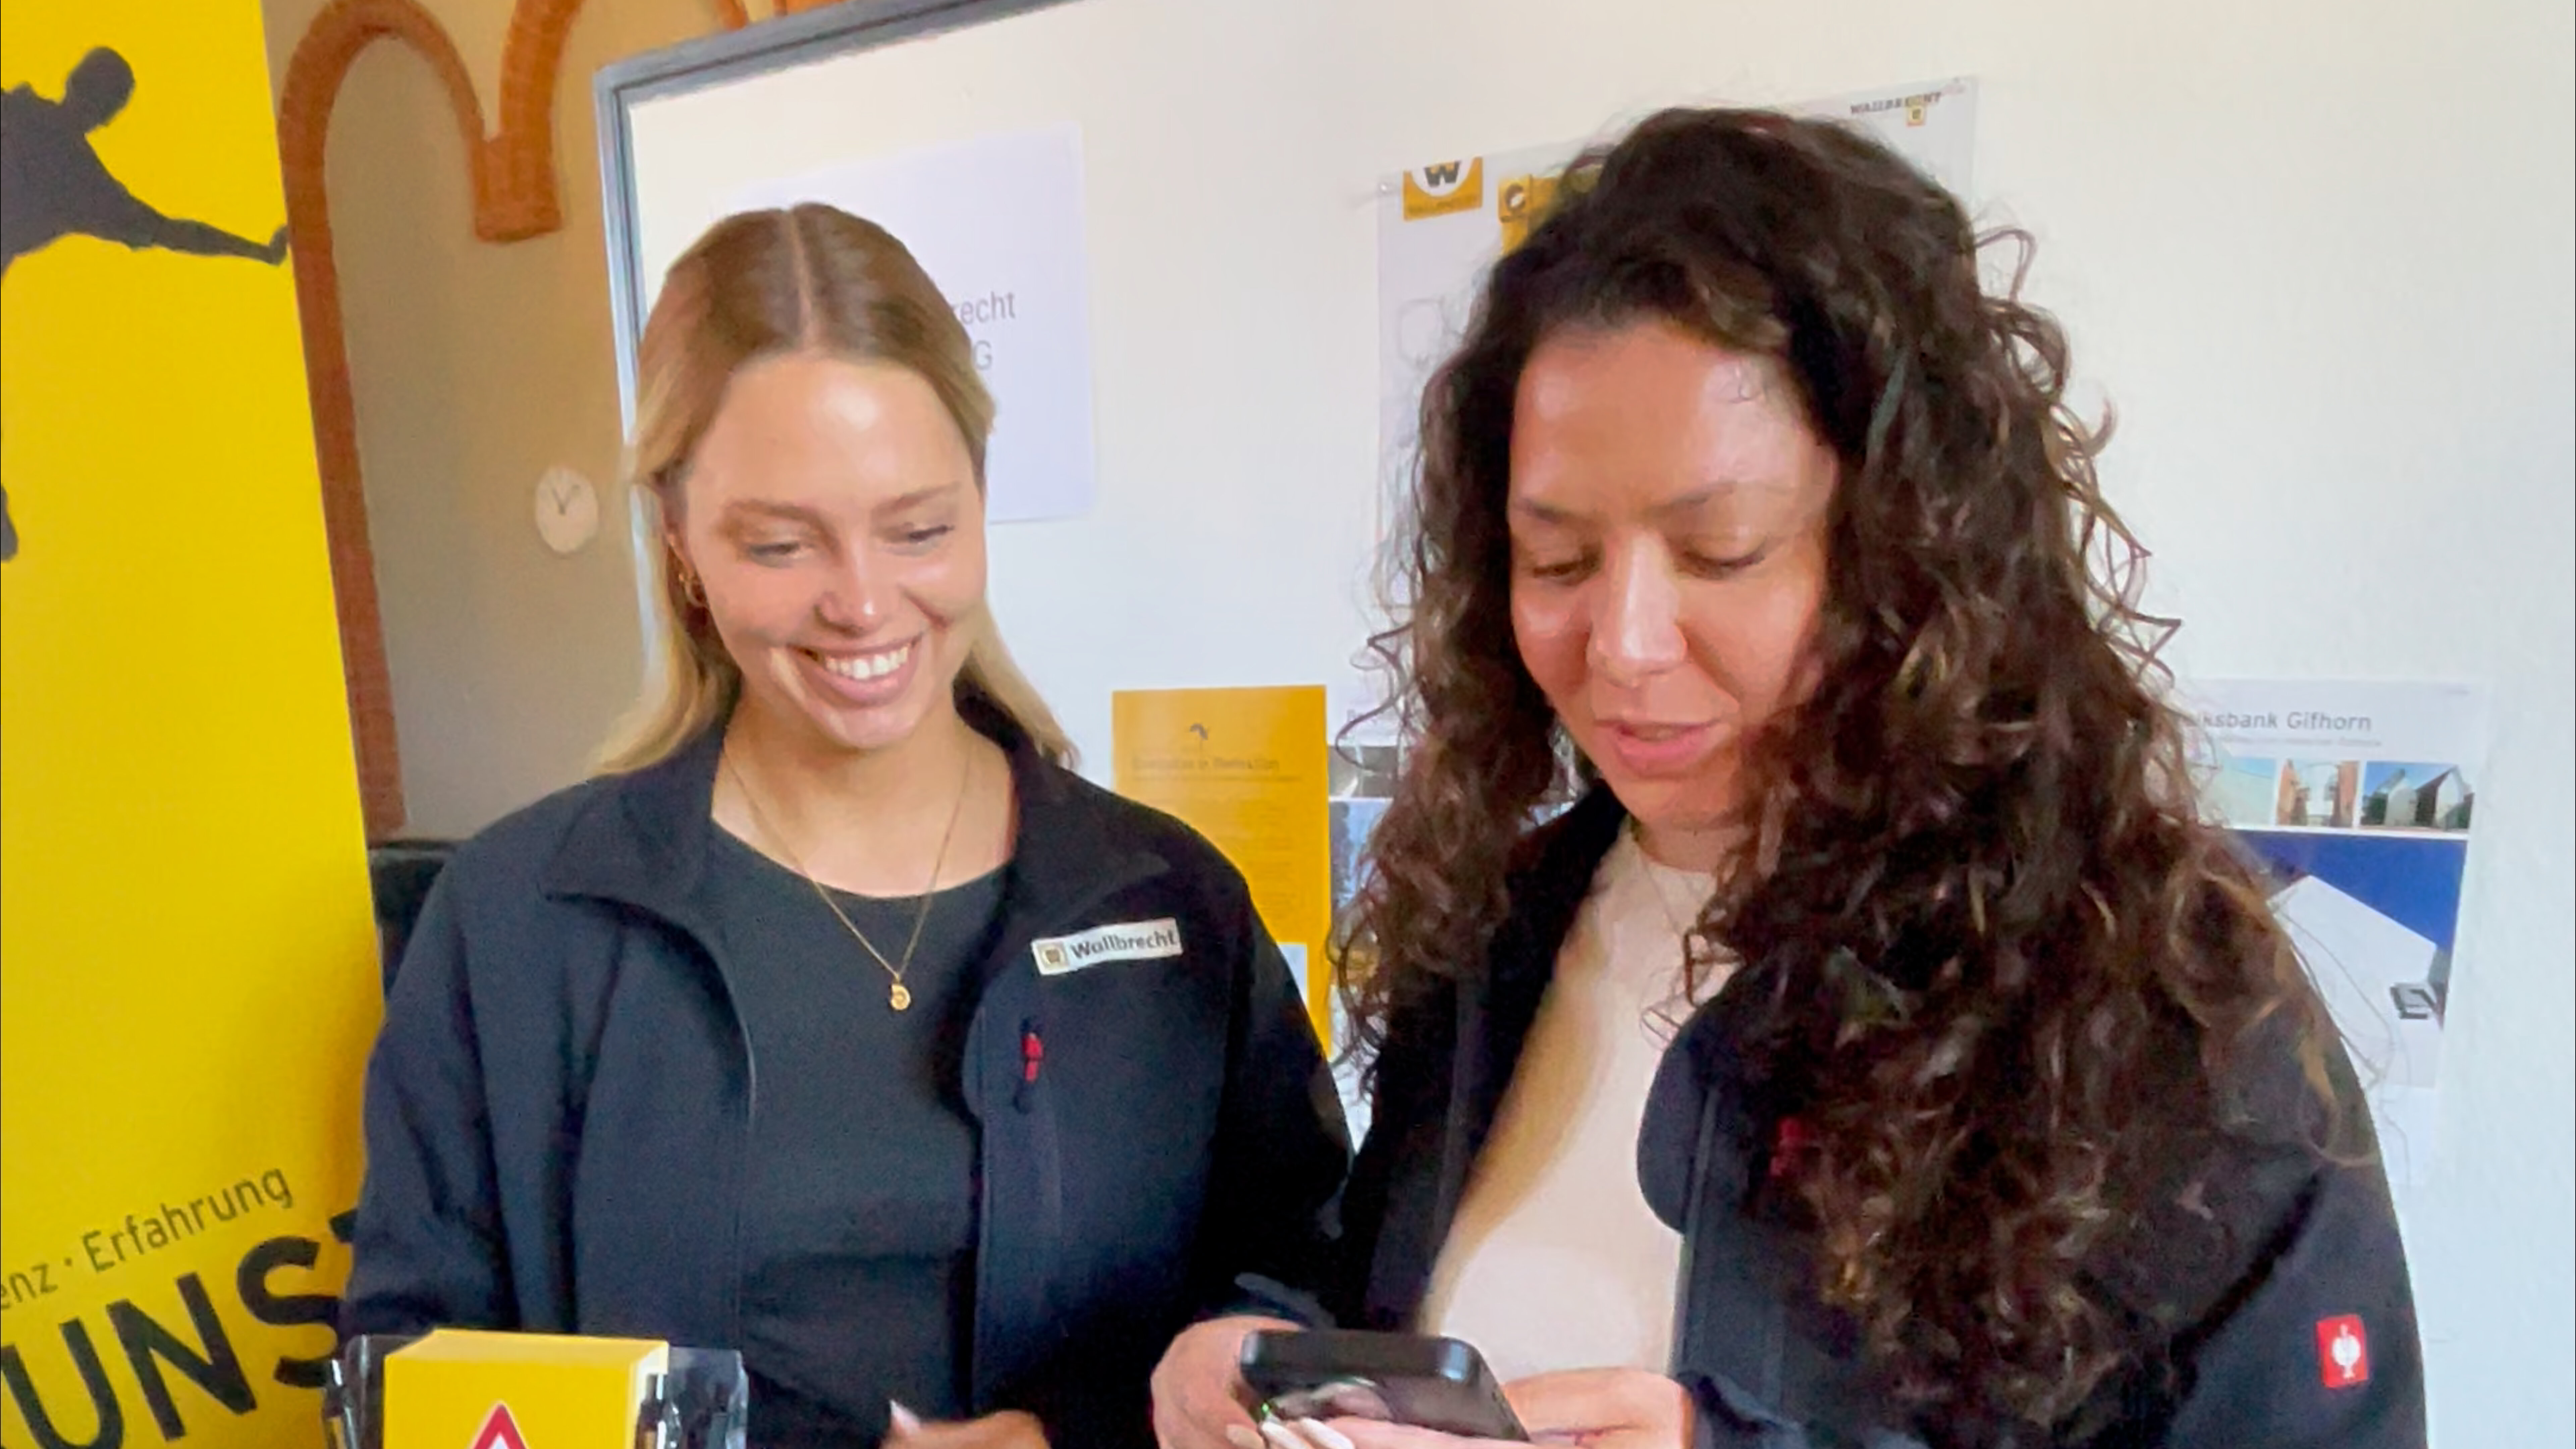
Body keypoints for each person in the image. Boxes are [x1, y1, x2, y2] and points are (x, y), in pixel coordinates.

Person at [1239, 108, 2426, 1448]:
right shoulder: (1498, 935)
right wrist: (1268, 1350)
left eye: (1724, 552)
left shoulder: (2157, 1012)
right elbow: (1394, 1306)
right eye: (1557, 562)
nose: (1623, 646)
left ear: (1910, 559)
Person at [340, 203, 1349, 1449]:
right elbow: (412, 1373)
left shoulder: (1164, 904)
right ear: (679, 539)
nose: (865, 603)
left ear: (982, 501)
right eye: (779, 543)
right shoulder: (521, 923)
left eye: (920, 529)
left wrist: (1073, 1434)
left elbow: (1307, 1292)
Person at [1, 45, 292, 562]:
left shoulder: (30, 125)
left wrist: (258, 252)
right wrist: (258, 252)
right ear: (110, 113)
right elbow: (172, 232)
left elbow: (169, 231)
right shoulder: (79, 179)